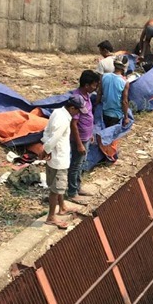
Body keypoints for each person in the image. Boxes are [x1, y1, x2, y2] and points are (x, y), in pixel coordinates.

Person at [41, 95, 84, 229]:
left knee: (56, 186)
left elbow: (47, 131)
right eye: (77, 111)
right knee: (56, 188)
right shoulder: (64, 121)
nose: (78, 114)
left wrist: (46, 147)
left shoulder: (57, 112)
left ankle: (63, 207)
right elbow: (54, 138)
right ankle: (51, 217)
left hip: (54, 156)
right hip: (59, 158)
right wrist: (46, 150)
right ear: (72, 108)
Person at [67, 70, 100, 203]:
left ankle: (78, 186)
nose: (95, 87)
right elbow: (73, 124)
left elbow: (87, 116)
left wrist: (90, 133)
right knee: (75, 165)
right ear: (86, 85)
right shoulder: (77, 99)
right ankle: (72, 192)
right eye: (94, 85)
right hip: (79, 139)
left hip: (86, 136)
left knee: (80, 163)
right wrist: (79, 143)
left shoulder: (86, 96)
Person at [98, 57, 129, 127]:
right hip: (116, 115)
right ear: (124, 68)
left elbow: (99, 93)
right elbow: (124, 101)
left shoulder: (103, 77)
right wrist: (126, 117)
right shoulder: (125, 82)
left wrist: (96, 106)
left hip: (104, 112)